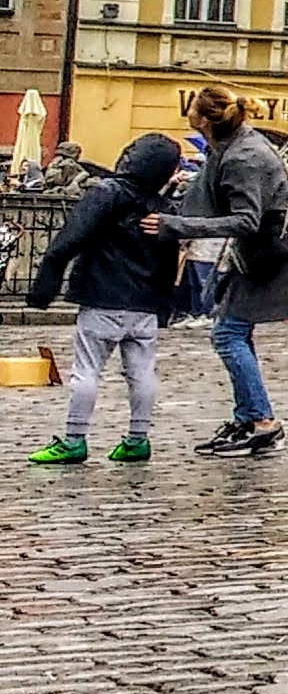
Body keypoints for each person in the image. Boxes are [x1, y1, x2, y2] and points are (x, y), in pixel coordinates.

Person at [154, 87, 288, 458]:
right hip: (266, 246)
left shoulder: (243, 157)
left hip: (278, 250)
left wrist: (176, 226)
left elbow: (246, 220)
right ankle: (248, 416)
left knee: (228, 333)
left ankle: (262, 422)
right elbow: (205, 194)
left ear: (205, 122)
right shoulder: (230, 145)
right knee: (232, 327)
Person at [26, 134, 186, 466]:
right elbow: (169, 263)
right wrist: (163, 306)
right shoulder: (163, 209)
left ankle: (73, 439)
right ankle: (138, 439)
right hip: (144, 304)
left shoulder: (108, 193)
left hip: (103, 295)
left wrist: (46, 286)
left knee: (86, 371)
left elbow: (71, 237)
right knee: (141, 372)